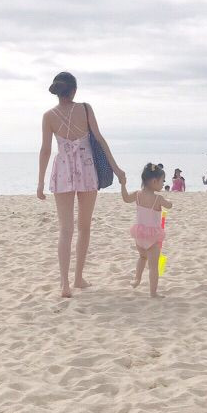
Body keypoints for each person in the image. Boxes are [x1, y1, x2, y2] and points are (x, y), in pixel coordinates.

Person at [37, 71, 125, 298]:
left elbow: (45, 150)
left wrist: (40, 182)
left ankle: (64, 284)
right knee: (84, 226)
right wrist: (116, 168)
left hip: (63, 170)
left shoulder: (48, 116)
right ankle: (78, 277)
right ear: (74, 90)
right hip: (87, 168)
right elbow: (100, 139)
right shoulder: (85, 109)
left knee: (65, 229)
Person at [120, 163, 172, 298]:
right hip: (153, 238)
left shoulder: (137, 194)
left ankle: (137, 279)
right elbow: (169, 206)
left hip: (139, 235)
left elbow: (125, 198)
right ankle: (153, 293)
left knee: (142, 257)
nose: (163, 184)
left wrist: (123, 185)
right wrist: (169, 201)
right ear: (154, 181)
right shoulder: (158, 198)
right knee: (153, 267)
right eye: (162, 181)